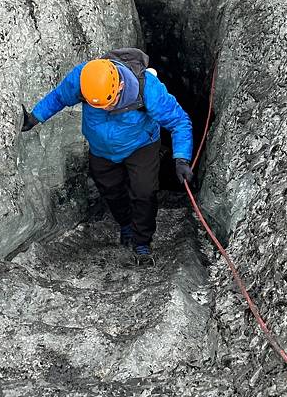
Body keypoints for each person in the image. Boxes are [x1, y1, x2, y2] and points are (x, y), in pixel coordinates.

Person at [21, 48, 193, 265]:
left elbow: (178, 121)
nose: (103, 109)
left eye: (107, 104)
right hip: (101, 149)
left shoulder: (148, 88)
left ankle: (142, 244)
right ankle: (126, 226)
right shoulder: (85, 78)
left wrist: (181, 159)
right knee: (111, 191)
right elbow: (59, 97)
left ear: (120, 87)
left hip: (141, 145)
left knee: (144, 191)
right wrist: (35, 118)